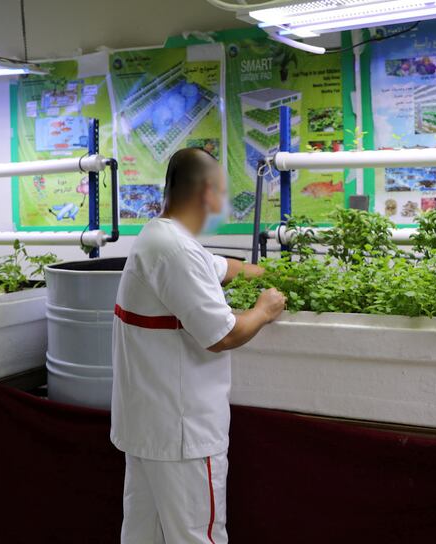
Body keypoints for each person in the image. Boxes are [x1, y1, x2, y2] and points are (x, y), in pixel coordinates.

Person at [111, 147, 286, 544]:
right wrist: (265, 307)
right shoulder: (176, 251)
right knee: (196, 537)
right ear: (206, 192)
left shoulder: (160, 236)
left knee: (144, 536)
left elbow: (219, 267)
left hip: (148, 429)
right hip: (182, 435)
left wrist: (270, 272)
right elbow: (223, 335)